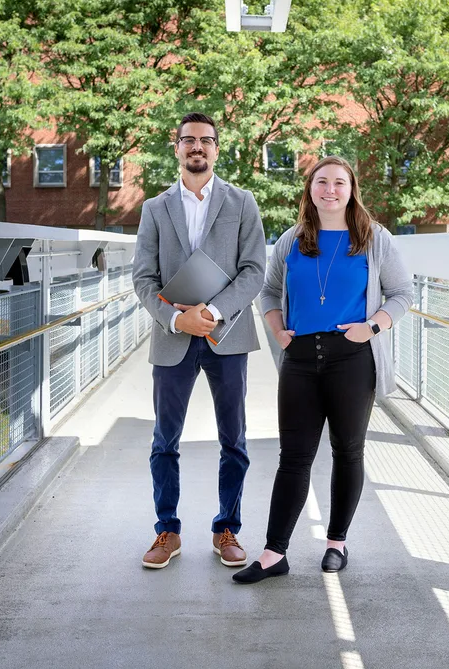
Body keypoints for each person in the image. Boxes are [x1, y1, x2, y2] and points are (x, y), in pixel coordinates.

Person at [233, 155, 412, 584]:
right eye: (321, 182)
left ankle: (336, 542)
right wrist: (277, 331)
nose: (329, 190)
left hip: (352, 358)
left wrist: (371, 327)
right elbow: (270, 292)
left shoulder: (375, 239)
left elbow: (402, 294)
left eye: (339, 183)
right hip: (299, 360)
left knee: (347, 451)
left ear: (352, 190)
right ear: (309, 190)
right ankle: (275, 553)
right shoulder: (292, 240)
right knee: (293, 457)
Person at [132, 112, 266, 570]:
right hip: (173, 339)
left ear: (216, 148)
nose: (197, 148)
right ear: (176, 148)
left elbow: (254, 271)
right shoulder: (154, 208)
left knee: (235, 439)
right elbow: (143, 279)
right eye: (188, 140)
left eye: (206, 141)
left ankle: (226, 527)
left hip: (226, 334)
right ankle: (166, 530)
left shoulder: (242, 202)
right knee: (164, 440)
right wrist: (175, 320)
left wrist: (211, 312)